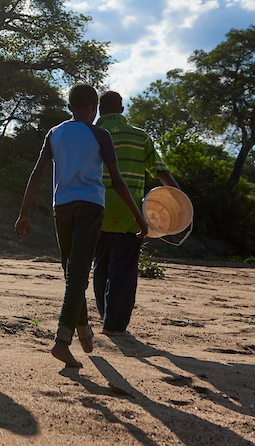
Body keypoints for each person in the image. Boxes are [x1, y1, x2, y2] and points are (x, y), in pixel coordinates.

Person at [15, 83, 148, 369]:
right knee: (76, 274)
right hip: (90, 207)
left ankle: (84, 329)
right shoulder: (101, 134)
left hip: (61, 207)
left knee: (71, 271)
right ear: (95, 108)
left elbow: (37, 172)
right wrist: (137, 214)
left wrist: (24, 212)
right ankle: (62, 340)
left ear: (69, 106)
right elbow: (117, 180)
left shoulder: (55, 133)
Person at [93, 90, 180, 336]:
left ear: (100, 110)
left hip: (96, 209)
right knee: (123, 268)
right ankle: (114, 323)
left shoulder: (92, 134)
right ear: (121, 109)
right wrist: (179, 199)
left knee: (101, 265)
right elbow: (160, 171)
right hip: (129, 212)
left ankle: (104, 314)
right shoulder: (139, 136)